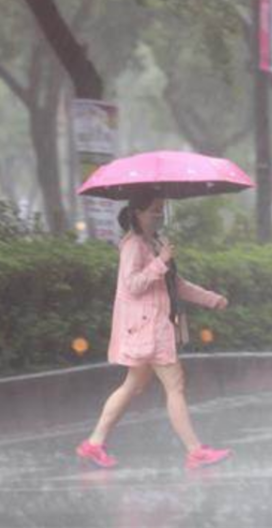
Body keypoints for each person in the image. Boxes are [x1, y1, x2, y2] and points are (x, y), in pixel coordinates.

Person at [76, 191, 231, 470]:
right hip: (149, 329)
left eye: (162, 209)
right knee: (175, 385)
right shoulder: (133, 246)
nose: (159, 215)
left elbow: (176, 285)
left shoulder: (153, 243)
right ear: (138, 213)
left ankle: (94, 444)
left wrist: (211, 299)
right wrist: (160, 261)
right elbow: (132, 285)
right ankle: (195, 450)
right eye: (154, 210)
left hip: (153, 327)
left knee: (132, 386)